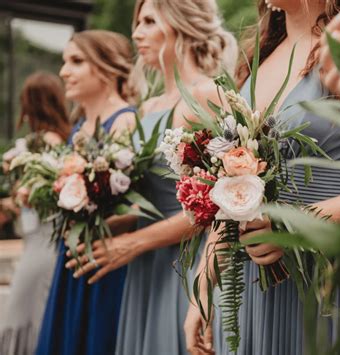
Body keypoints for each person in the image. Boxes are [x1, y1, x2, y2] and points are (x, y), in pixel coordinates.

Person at [185, 1, 340, 354]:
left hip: (337, 285)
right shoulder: (259, 57)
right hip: (257, 293)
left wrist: (294, 226)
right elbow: (233, 185)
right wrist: (204, 286)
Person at [65, 1, 237, 354]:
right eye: (136, 22)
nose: (136, 33)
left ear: (179, 24)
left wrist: (134, 242)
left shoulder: (209, 96)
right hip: (143, 266)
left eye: (148, 21)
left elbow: (222, 203)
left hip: (187, 261)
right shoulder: (148, 107)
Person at [35, 30, 136, 355]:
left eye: (76, 61)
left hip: (105, 265)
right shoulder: (78, 126)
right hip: (73, 258)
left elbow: (138, 210)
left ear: (107, 68)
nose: (64, 71)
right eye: (65, 61)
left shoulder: (126, 123)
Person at [0, 71, 70, 355]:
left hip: (44, 241)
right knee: (29, 314)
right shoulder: (56, 140)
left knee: (22, 315)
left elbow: (38, 197)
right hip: (36, 240)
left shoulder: (45, 142)